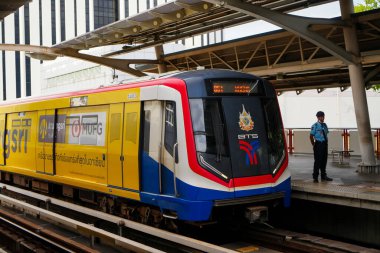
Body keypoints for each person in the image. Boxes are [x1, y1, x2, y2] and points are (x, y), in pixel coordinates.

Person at [309, 111, 333, 183]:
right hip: (318, 144)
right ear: (318, 117)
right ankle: (315, 177)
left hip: (325, 144)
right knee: (317, 161)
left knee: (324, 160)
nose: (322, 118)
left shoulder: (325, 125)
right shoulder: (315, 125)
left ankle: (323, 176)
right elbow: (311, 136)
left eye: (323, 116)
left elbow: (326, 134)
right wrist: (314, 145)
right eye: (321, 116)